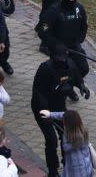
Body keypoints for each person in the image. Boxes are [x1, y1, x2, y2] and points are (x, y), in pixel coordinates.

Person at [32, 44, 89, 176]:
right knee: (51, 139)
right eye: (58, 59)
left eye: (63, 58)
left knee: (66, 136)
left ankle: (67, 163)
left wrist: (82, 86)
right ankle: (53, 170)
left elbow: (76, 77)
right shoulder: (45, 69)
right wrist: (46, 112)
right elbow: (37, 92)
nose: (61, 61)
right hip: (42, 108)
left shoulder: (70, 64)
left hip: (59, 105)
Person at [37, 0, 89, 82]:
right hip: (59, 49)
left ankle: (71, 84)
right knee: (62, 72)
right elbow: (43, 31)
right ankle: (62, 88)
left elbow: (84, 25)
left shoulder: (79, 8)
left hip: (75, 46)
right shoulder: (54, 11)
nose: (74, 0)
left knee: (83, 68)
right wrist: (56, 45)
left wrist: (80, 38)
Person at [37, 110, 96, 177]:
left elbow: (66, 148)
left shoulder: (74, 138)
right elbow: (66, 116)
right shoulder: (81, 130)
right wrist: (50, 114)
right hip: (87, 166)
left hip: (78, 170)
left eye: (64, 121)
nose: (63, 121)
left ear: (68, 123)